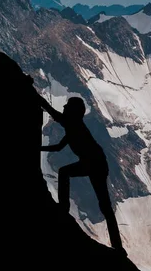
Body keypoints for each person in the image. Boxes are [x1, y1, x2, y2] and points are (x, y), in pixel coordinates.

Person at [27, 77, 126, 256]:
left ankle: (63, 209)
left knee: (103, 203)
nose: (64, 108)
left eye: (67, 107)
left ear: (74, 111)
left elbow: (50, 111)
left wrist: (31, 90)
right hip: (96, 162)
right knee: (104, 204)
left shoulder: (72, 124)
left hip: (94, 163)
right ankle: (117, 246)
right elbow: (58, 147)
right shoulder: (74, 126)